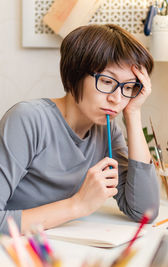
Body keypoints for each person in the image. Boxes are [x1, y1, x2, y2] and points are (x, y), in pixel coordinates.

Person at [0, 24, 159, 234]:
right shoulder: (28, 120)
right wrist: (78, 205)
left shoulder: (107, 131)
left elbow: (144, 212)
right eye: (106, 81)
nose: (117, 99)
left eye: (128, 87)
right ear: (75, 73)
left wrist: (133, 114)